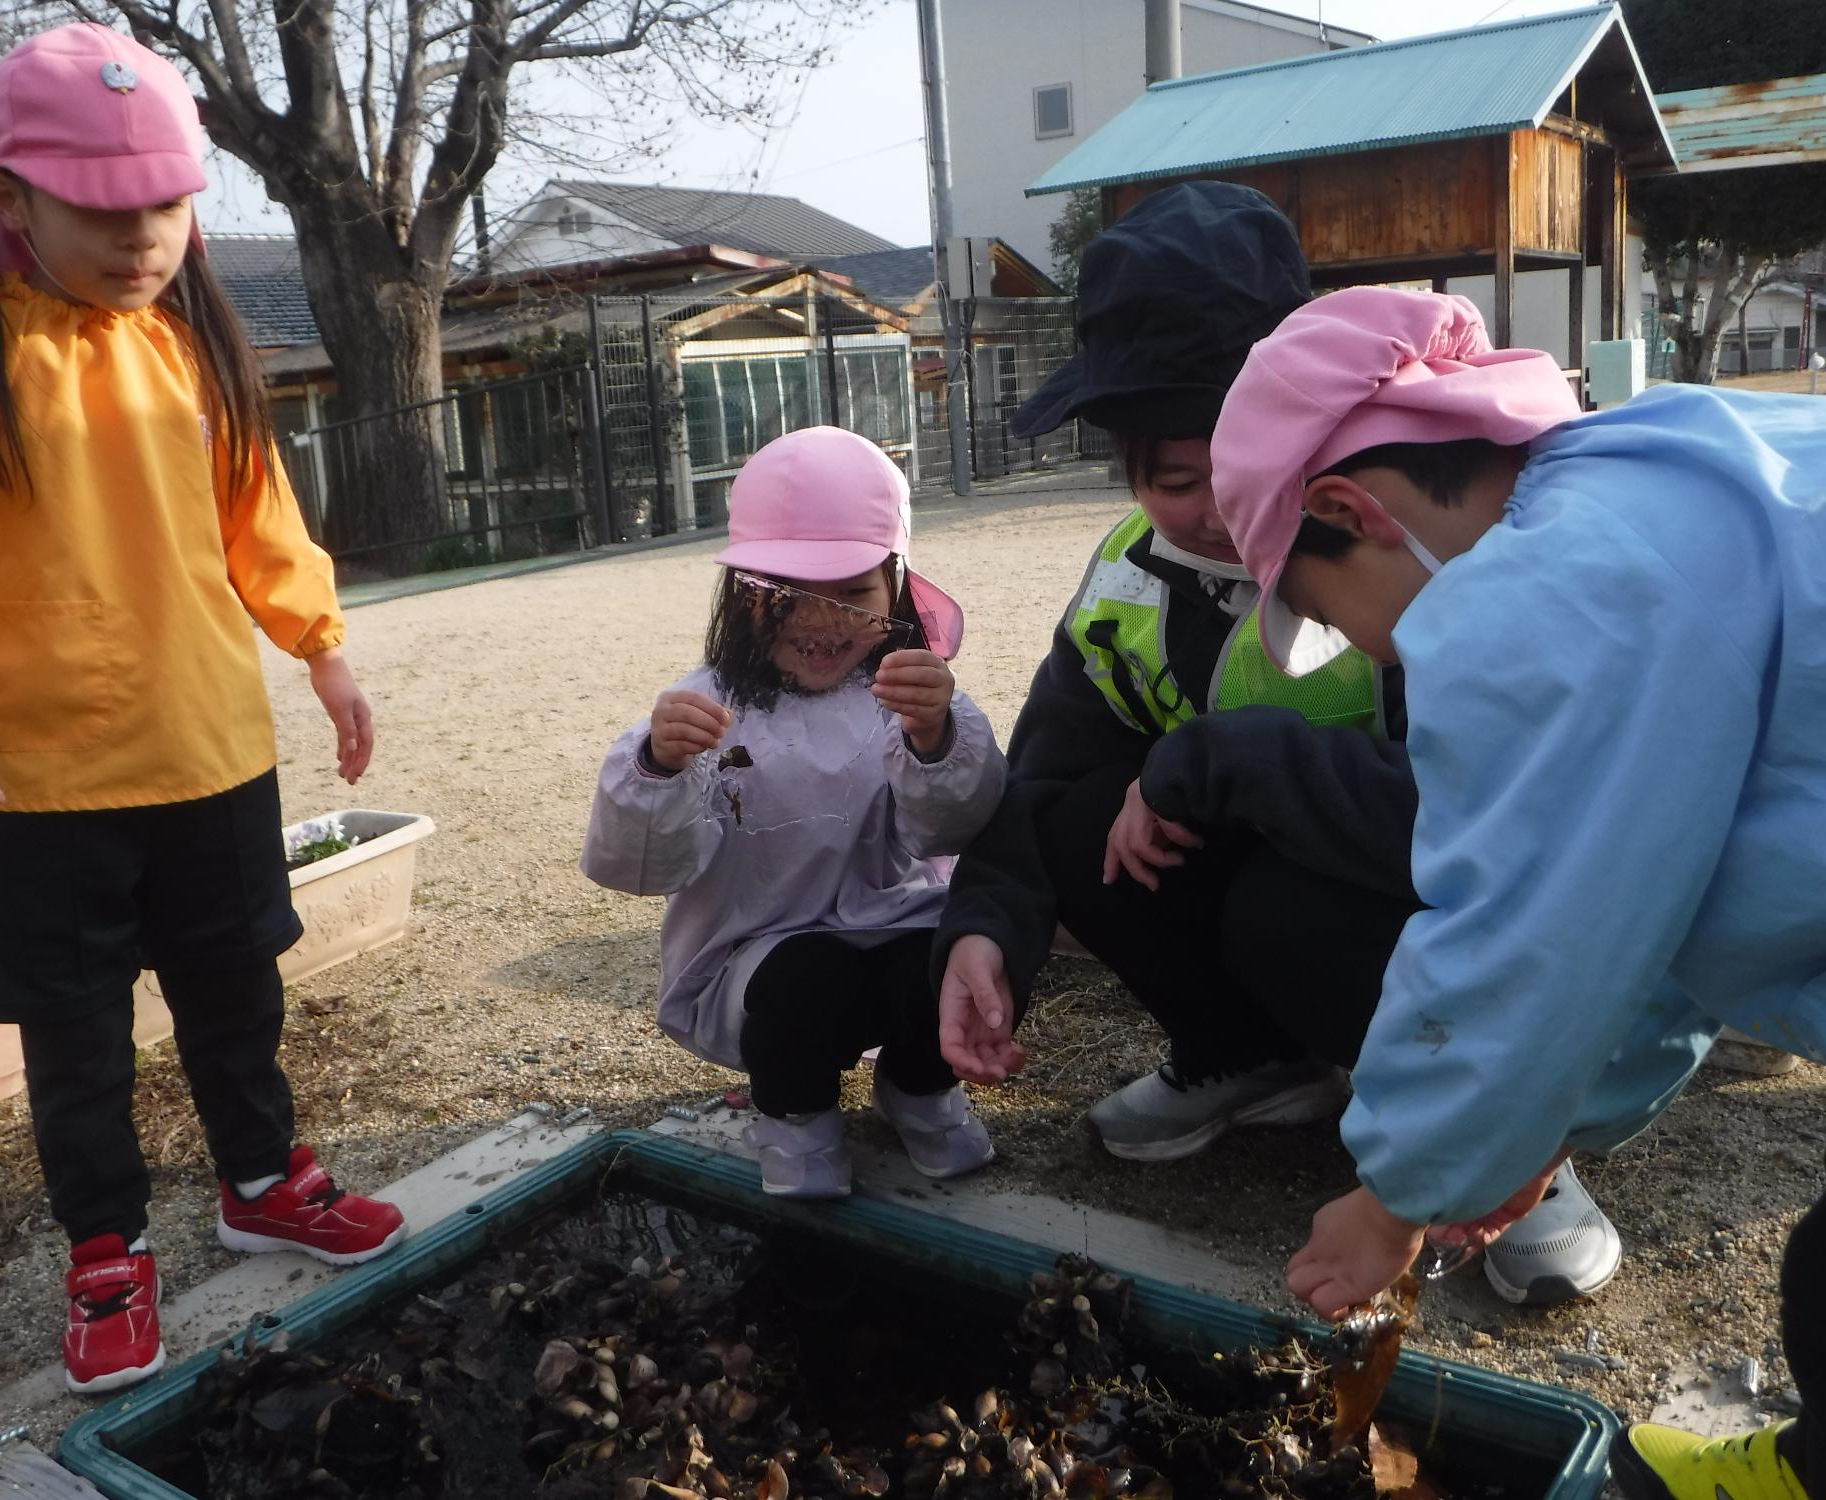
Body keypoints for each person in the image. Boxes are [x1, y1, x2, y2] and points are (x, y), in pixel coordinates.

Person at [931, 182, 1622, 1308]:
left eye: (1239, 458)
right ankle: (1247, 1056)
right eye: (1171, 477)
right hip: (1269, 876)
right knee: (1074, 817)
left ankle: (1508, 1138)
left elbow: (1498, 825)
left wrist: (1235, 761)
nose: (1216, 508)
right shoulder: (1130, 580)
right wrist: (982, 933)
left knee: (1289, 909)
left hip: (1403, 905)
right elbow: (1043, 768)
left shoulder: (1417, 557)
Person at [0, 23, 405, 1396]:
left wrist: (321, 648)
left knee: (237, 994)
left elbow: (258, 518)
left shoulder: (192, 350)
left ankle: (263, 1177)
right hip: (33, 778)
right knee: (77, 1034)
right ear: (9, 200)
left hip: (204, 747)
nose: (143, 233)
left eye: (166, 201)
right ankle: (105, 1242)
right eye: (105, 208)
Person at [1209, 284, 1824, 1500]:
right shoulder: (1673, 457)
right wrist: (1541, 1124)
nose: (1379, 655)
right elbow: (1644, 903)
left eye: (1336, 617)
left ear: (1349, 511)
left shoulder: (1540, 594)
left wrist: (1395, 1192)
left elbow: (1531, 934)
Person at [583, 427, 1006, 1199]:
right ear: (740, 596)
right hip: (760, 953)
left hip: (899, 922)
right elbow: (637, 865)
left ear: (898, 588)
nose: (822, 622)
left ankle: (920, 1085)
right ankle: (796, 1113)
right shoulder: (708, 705)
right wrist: (658, 764)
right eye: (786, 595)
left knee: (953, 960)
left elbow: (952, 828)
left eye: (853, 594)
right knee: (804, 978)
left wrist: (939, 738)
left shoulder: (908, 694)